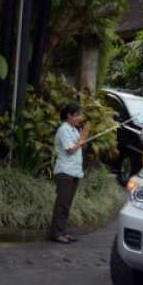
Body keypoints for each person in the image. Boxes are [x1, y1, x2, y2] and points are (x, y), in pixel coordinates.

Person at [50, 103, 89, 244]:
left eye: (80, 114)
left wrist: (84, 138)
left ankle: (63, 232)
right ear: (69, 116)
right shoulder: (63, 130)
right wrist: (82, 138)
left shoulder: (74, 129)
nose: (80, 117)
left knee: (67, 205)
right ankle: (56, 234)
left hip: (74, 172)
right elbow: (70, 150)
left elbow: (80, 147)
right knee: (62, 204)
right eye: (77, 115)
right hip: (64, 171)